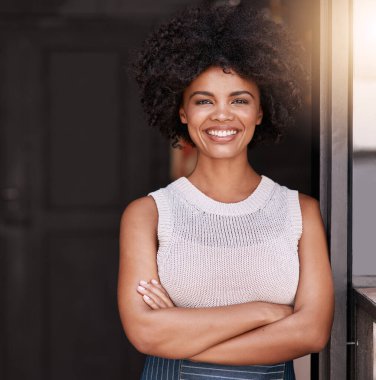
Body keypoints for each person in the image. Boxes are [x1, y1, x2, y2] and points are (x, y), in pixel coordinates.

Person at [117, 2, 334, 379]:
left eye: (239, 100)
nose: (222, 115)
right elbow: (145, 332)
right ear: (182, 111)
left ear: (260, 111)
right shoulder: (148, 215)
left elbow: (312, 333)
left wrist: (182, 335)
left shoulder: (301, 212)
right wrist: (264, 313)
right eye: (204, 101)